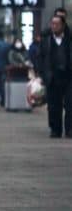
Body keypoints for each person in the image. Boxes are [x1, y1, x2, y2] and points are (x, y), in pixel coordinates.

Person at [36, 9, 72, 138]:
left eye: (56, 24)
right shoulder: (46, 40)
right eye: (52, 24)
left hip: (68, 76)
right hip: (52, 77)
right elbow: (39, 57)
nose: (53, 26)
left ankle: (69, 129)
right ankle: (55, 129)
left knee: (70, 105)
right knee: (53, 106)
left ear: (63, 25)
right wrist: (41, 74)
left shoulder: (69, 38)